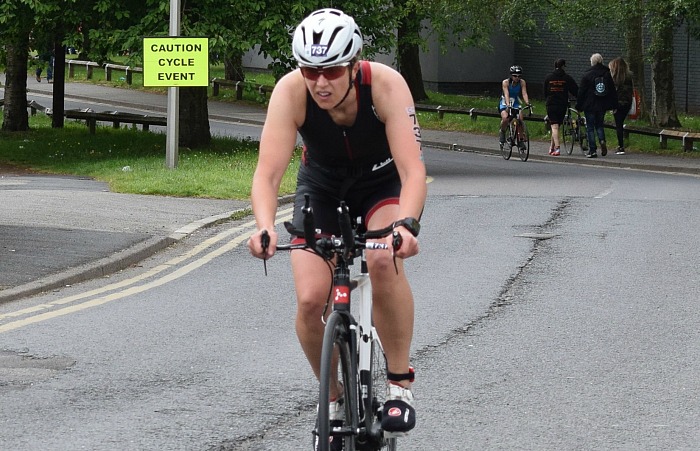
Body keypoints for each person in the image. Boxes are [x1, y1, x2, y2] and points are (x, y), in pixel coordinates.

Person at [247, 8, 426, 440]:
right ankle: (334, 395)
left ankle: (400, 386)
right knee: (311, 301)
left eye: (330, 71)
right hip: (322, 187)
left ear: (352, 63)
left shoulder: (385, 85)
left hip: (380, 184)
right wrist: (264, 225)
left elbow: (413, 170)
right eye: (310, 70)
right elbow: (267, 174)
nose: (320, 83)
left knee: (382, 262)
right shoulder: (291, 92)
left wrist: (407, 225)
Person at [575, 53, 618, 158]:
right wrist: (614, 105)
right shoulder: (607, 74)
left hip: (589, 105)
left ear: (592, 62)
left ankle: (592, 150)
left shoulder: (587, 75)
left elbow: (581, 92)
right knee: (599, 125)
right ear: (602, 61)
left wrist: (579, 106)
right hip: (602, 105)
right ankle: (602, 140)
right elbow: (612, 90)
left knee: (590, 127)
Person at [543, 59, 578, 156]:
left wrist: (548, 99)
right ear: (563, 66)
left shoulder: (548, 78)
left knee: (554, 126)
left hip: (551, 104)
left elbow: (545, 92)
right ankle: (552, 147)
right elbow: (575, 90)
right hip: (562, 104)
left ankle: (557, 148)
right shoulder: (567, 78)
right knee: (557, 126)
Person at [498, 65, 531, 151]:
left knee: (520, 119)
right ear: (511, 76)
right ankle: (502, 132)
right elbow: (506, 94)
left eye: (519, 76)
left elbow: (524, 93)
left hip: (515, 102)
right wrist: (508, 105)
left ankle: (520, 140)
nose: (517, 78)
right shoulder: (506, 82)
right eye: (515, 76)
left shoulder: (522, 82)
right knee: (505, 118)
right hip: (505, 102)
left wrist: (527, 103)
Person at [609, 57, 634, 155]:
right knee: (621, 122)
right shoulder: (629, 76)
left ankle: (621, 146)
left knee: (618, 124)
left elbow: (612, 91)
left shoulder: (615, 78)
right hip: (627, 102)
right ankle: (621, 145)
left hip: (617, 103)